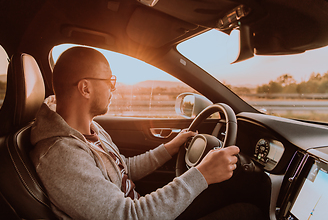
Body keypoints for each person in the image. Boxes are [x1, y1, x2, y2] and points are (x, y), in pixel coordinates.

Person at [29, 46, 262, 220]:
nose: (114, 87)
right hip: (137, 215)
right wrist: (202, 174)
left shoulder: (88, 128)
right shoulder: (61, 154)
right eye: (109, 80)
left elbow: (123, 169)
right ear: (85, 88)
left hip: (140, 208)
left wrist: (171, 146)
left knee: (224, 195)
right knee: (248, 213)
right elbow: (128, 216)